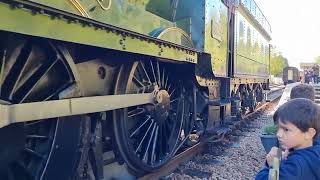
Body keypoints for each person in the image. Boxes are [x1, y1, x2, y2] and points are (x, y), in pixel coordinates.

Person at [256, 98, 320, 180]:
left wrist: (273, 164)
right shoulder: (315, 151)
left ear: (309, 133)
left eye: (286, 129)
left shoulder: (295, 166)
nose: (278, 134)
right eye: (278, 128)